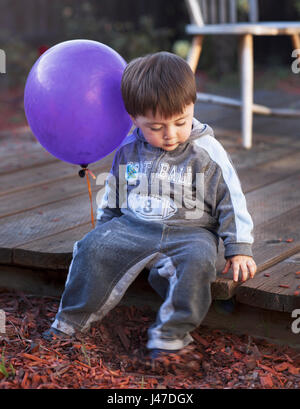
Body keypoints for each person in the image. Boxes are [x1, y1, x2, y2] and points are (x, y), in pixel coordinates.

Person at [42, 51, 257, 358]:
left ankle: (170, 335)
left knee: (198, 261)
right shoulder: (128, 147)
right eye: (155, 127)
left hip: (191, 232)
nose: (170, 134)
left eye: (180, 122)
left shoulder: (206, 150)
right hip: (133, 226)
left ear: (192, 106)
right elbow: (115, 190)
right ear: (134, 119)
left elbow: (231, 199)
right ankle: (69, 323)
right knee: (91, 248)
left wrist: (239, 248)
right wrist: (105, 230)